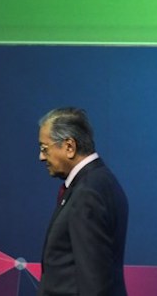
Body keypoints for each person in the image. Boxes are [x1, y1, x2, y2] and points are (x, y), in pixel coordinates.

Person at [37, 107, 129, 296]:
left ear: (69, 147)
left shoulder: (87, 193)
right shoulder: (100, 181)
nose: (41, 157)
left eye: (44, 148)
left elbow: (94, 280)